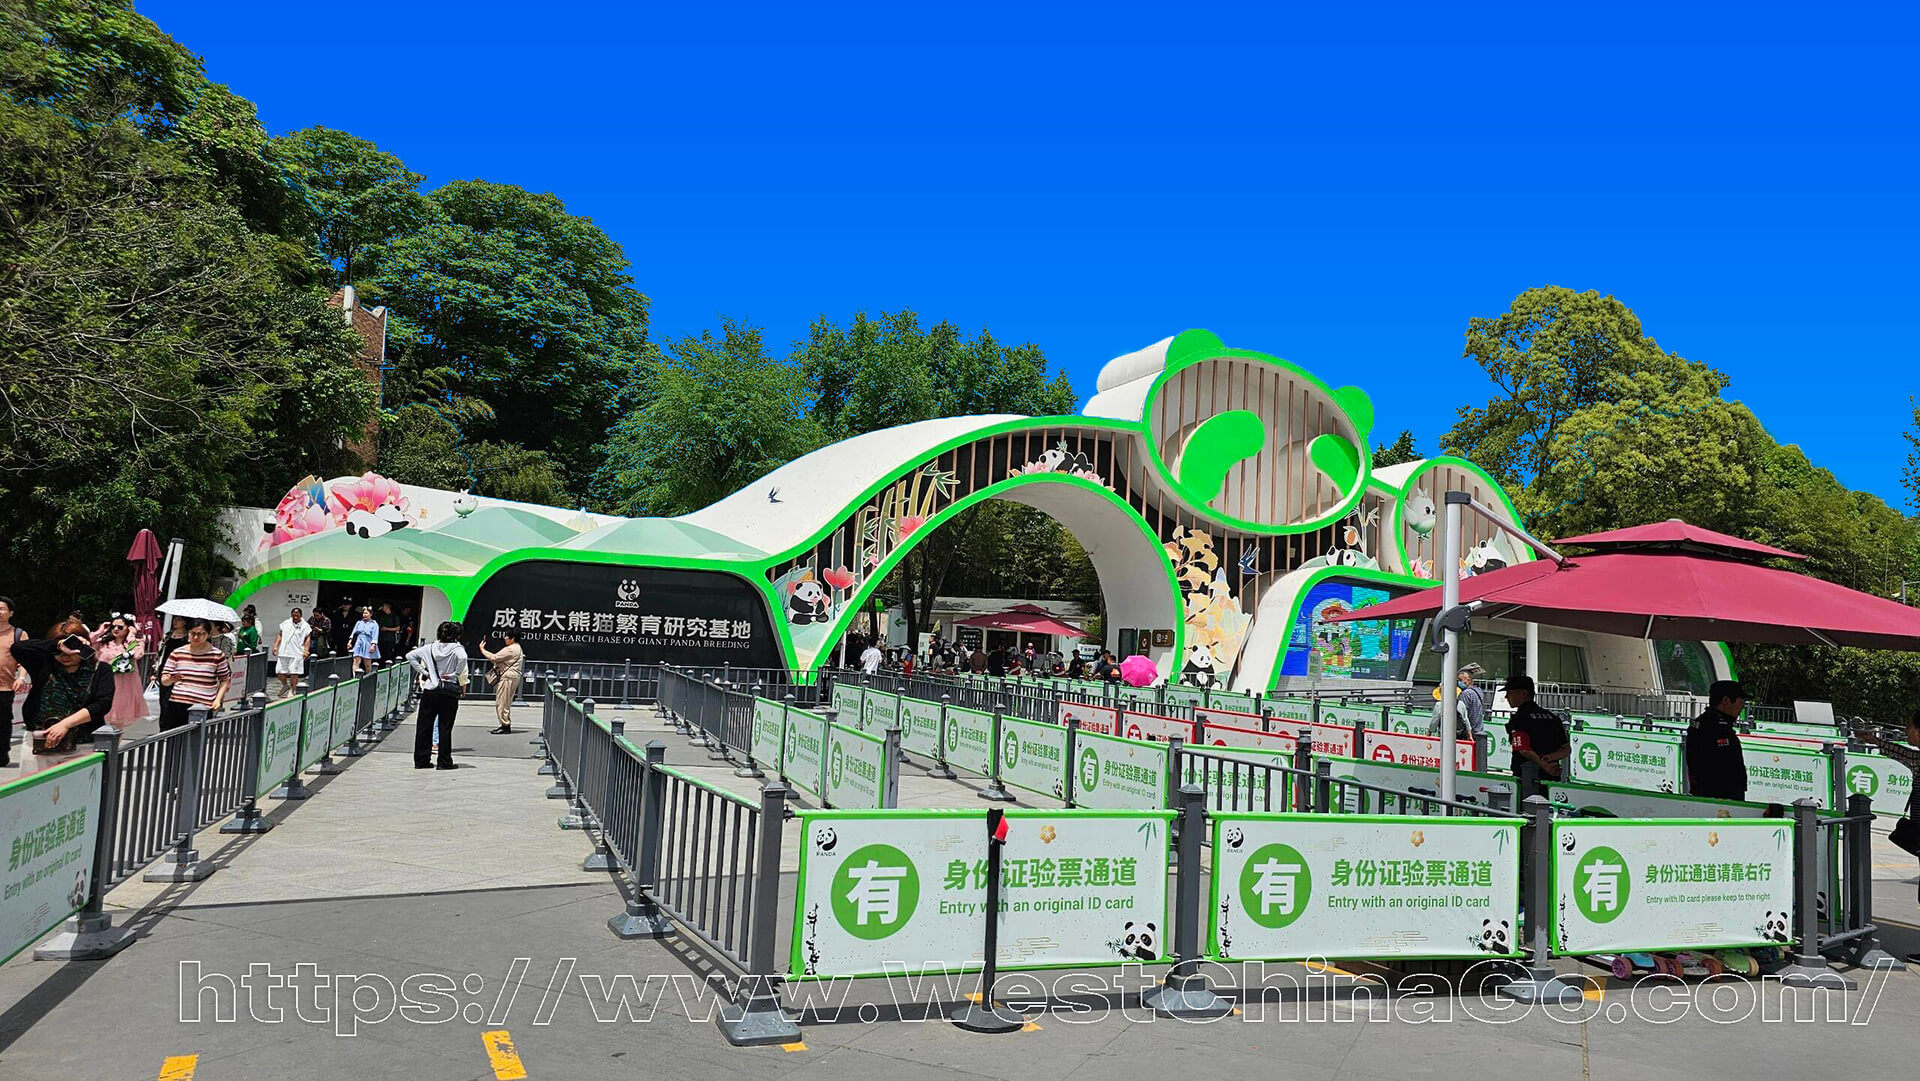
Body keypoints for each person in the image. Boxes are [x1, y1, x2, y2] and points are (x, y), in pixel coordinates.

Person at [12, 618, 114, 776]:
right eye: (57, 652)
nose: (64, 656)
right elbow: (18, 648)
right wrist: (58, 645)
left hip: (82, 744)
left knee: (77, 798)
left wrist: (65, 724)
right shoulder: (44, 664)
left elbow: (102, 704)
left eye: (71, 649)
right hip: (39, 744)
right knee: (35, 795)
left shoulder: (101, 670)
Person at [407, 621, 471, 770]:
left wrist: (425, 673)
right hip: (448, 691)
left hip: (430, 690)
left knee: (424, 726)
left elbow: (410, 656)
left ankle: (421, 760)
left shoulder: (429, 648)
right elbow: (463, 658)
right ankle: (444, 761)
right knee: (445, 727)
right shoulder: (457, 649)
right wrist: (455, 673)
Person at [158, 619, 231, 730]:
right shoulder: (177, 653)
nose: (196, 637)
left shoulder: (217, 655)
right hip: (178, 703)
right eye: (193, 633)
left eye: (201, 634)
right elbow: (164, 680)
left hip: (203, 705)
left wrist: (218, 699)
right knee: (175, 742)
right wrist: (171, 679)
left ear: (208, 634)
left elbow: (225, 679)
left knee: (196, 742)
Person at [1686, 680, 1749, 800]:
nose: (1742, 706)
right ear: (1726, 701)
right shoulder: (1713, 726)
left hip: (1713, 796)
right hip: (1719, 798)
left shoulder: (1706, 723)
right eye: (1741, 701)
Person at [1502, 675, 1569, 781]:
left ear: (1523, 693)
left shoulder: (1520, 718)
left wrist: (1543, 764)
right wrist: (1550, 758)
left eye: (1510, 692)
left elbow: (1523, 748)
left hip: (1527, 777)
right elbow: (1566, 749)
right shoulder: (1552, 717)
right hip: (1552, 777)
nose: (1506, 697)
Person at [91, 614, 148, 729]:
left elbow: (138, 654)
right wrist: (101, 631)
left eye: (120, 627)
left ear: (128, 627)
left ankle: (115, 744)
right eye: (113, 626)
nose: (116, 629)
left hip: (124, 684)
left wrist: (132, 635)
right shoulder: (103, 642)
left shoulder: (134, 642)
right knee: (100, 712)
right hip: (105, 680)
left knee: (118, 719)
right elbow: (88, 643)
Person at [0, 597, 27, 768]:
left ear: (10, 613)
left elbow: (26, 660)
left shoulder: (18, 635)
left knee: (2, 722)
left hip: (4, 687)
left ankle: (2, 754)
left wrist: (21, 678)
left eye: (2, 609)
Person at [479, 630, 523, 734]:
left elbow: (494, 658)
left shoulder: (511, 649)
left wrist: (482, 649)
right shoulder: (517, 648)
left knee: (502, 702)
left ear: (512, 638)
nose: (505, 638)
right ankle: (505, 724)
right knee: (505, 701)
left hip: (507, 678)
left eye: (507, 637)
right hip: (512, 677)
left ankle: (505, 725)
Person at [272, 608, 312, 698]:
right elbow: (280, 634)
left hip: (296, 652)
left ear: (301, 615)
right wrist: (275, 646)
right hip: (284, 651)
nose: (295, 617)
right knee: (279, 671)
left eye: (297, 615)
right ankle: (285, 685)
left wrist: (306, 650)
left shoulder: (305, 626)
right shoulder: (286, 623)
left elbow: (307, 639)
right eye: (294, 615)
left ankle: (292, 689)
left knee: (294, 672)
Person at [350, 606, 381, 675]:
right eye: (363, 613)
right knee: (356, 660)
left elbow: (375, 635)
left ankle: (368, 676)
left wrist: (373, 645)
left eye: (366, 613)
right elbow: (353, 632)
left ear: (370, 614)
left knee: (367, 663)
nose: (364, 615)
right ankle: (355, 677)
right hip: (359, 641)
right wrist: (350, 642)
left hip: (368, 642)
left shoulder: (374, 624)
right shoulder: (359, 622)